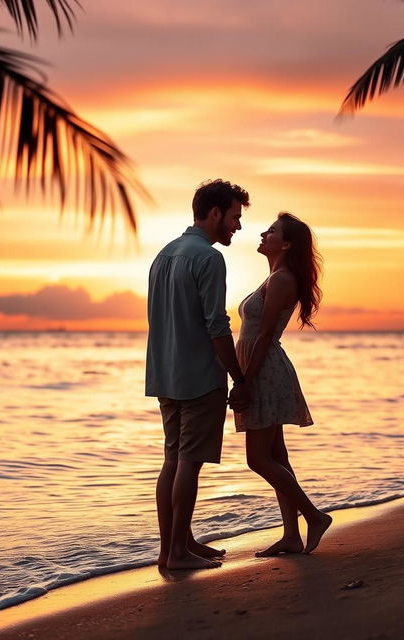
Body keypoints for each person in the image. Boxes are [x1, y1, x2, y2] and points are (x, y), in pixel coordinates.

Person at [146, 179, 251, 570]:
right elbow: (217, 326)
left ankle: (176, 544)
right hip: (198, 376)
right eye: (234, 217)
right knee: (188, 462)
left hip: (165, 374)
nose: (237, 227)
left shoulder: (165, 255)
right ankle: (176, 553)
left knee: (172, 459)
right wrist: (239, 378)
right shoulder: (209, 258)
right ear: (214, 213)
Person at [232, 213, 332, 556]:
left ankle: (314, 516)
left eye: (272, 231)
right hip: (261, 370)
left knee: (258, 459)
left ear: (286, 244)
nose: (263, 233)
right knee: (276, 455)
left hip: (264, 373)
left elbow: (262, 336)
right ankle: (291, 535)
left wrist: (245, 381)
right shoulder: (274, 277)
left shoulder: (281, 279)